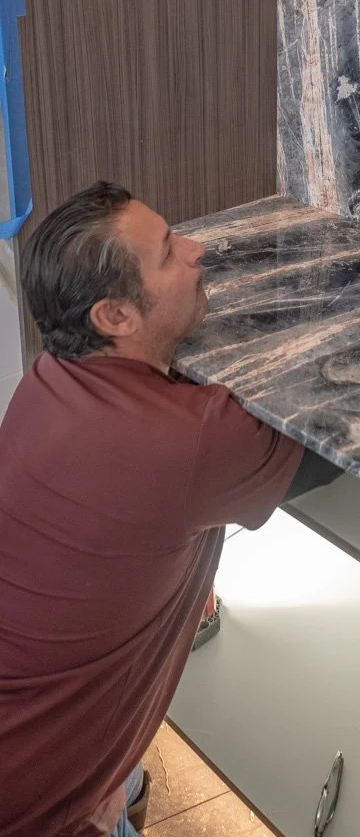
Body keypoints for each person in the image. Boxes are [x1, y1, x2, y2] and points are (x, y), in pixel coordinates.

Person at [0, 183, 339, 837]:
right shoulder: (188, 443)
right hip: (32, 807)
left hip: (31, 718)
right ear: (116, 317)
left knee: (113, 779)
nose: (196, 248)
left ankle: (116, 782)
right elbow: (335, 446)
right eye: (168, 252)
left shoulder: (48, 377)